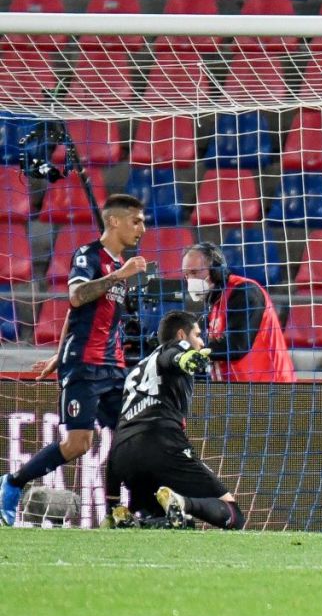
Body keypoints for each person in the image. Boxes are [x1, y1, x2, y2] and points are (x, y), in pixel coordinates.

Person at [1, 194, 147, 526]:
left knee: (132, 436)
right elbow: (77, 296)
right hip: (84, 365)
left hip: (113, 366)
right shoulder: (88, 255)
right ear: (114, 221)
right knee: (79, 444)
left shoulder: (118, 265)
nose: (143, 228)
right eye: (136, 221)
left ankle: (121, 510)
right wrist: (120, 275)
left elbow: (74, 312)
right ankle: (12, 483)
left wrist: (58, 351)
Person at [104, 310, 246, 530]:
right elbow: (172, 356)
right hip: (161, 443)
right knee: (234, 515)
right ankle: (182, 501)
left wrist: (111, 505)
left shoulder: (136, 371)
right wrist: (185, 358)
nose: (201, 342)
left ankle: (129, 518)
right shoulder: (176, 348)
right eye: (197, 335)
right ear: (181, 335)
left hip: (123, 454)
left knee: (175, 521)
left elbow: (120, 432)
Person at [181, 242, 295, 383]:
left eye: (194, 272)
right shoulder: (215, 304)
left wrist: (195, 351)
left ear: (215, 270)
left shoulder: (244, 292)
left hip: (271, 387)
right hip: (239, 389)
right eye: (186, 275)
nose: (190, 280)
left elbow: (237, 345)